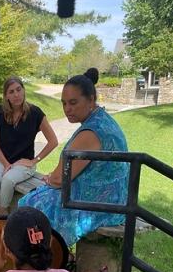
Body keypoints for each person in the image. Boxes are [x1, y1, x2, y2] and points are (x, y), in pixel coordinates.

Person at [19, 68, 129, 247]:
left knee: (30, 207)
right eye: (63, 103)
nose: (67, 109)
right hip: (114, 198)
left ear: (91, 99)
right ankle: (52, 255)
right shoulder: (102, 120)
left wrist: (50, 179)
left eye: (73, 103)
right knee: (35, 200)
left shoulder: (92, 132)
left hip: (101, 204)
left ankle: (46, 258)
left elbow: (58, 179)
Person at [0, 76, 58, 216]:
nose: (16, 94)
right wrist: (6, 163)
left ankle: (2, 211)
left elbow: (53, 141)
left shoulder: (35, 113)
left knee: (8, 179)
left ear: (23, 90)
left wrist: (35, 160)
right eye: (11, 92)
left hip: (24, 163)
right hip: (1, 160)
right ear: (6, 96)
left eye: (18, 89)